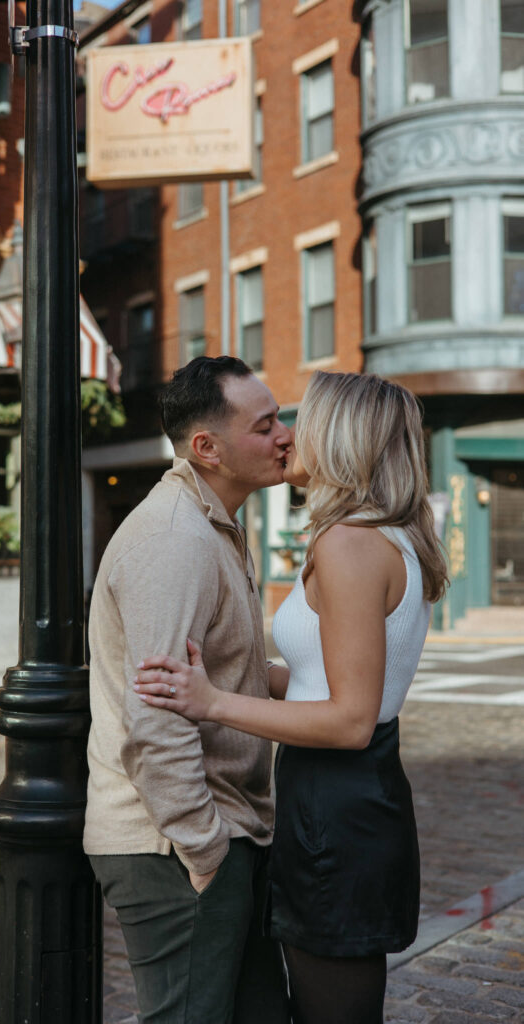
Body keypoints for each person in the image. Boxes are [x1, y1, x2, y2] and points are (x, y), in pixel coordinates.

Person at [134, 370, 450, 1024]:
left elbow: (349, 720)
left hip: (339, 799)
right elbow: (321, 683)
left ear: (339, 436)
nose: (286, 436)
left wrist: (210, 703)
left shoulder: (351, 544)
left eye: (298, 420)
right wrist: (224, 674)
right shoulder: (380, 533)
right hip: (345, 798)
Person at [83, 356, 292, 1024]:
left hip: (222, 834)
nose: (285, 435)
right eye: (264, 426)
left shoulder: (213, 526)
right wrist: (205, 851)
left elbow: (217, 671)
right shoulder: (174, 541)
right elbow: (156, 714)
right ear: (207, 448)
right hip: (171, 845)